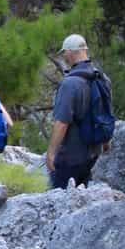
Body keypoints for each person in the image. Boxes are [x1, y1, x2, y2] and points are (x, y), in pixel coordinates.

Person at [46, 34, 112, 189]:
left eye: (64, 53)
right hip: (94, 155)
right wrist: (106, 142)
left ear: (69, 52)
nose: (64, 56)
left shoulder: (69, 84)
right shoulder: (103, 79)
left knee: (60, 198)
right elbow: (107, 113)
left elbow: (61, 123)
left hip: (70, 157)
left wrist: (51, 154)